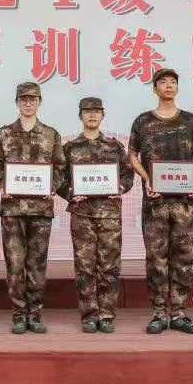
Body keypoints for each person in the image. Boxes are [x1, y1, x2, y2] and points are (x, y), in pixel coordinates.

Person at [128, 68, 193, 334]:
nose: (169, 86)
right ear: (155, 89)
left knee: (183, 256)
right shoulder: (143, 121)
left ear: (178, 87)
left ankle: (180, 312)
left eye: (173, 82)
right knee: (156, 258)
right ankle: (159, 313)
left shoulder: (191, 121)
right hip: (155, 202)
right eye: (163, 82)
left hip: (184, 202)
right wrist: (146, 178)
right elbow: (132, 155)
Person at [0, 82, 66, 334]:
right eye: (23, 99)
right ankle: (19, 313)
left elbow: (60, 167)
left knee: (37, 264)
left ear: (39, 102)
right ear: (17, 102)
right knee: (15, 264)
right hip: (12, 210)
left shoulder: (51, 135)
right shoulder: (3, 134)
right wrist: (3, 182)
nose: (27, 103)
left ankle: (35, 313)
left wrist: (51, 186)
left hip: (40, 210)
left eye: (32, 99)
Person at [58, 97, 134, 333]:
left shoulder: (114, 146)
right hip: (82, 215)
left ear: (102, 115)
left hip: (109, 215)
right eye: (87, 111)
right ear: (80, 115)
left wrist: (120, 187)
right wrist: (70, 193)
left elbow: (128, 175)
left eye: (96, 111)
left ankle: (107, 314)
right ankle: (89, 315)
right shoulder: (69, 148)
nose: (92, 115)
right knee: (84, 266)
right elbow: (58, 179)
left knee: (109, 266)